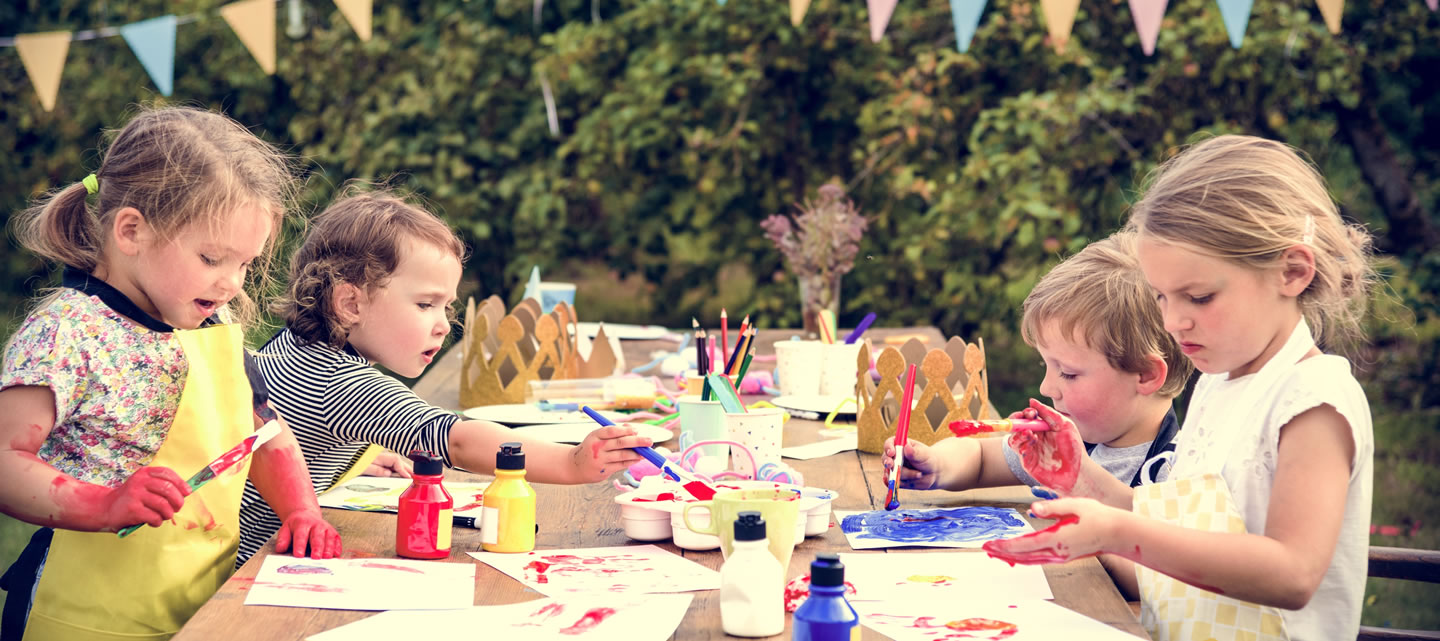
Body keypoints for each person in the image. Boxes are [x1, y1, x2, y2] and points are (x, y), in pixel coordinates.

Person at [985, 135, 1376, 641]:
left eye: (1198, 297)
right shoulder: (1219, 381)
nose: (1173, 322)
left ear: (1292, 272)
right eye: (1161, 298)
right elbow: (1180, 529)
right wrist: (1079, 475)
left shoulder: (1313, 401)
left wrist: (1117, 534)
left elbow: (1292, 573)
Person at [0, 107, 340, 641]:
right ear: (132, 231)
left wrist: (301, 513)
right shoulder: (68, 331)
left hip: (200, 610)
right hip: (81, 617)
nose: (231, 283)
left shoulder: (212, 324)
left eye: (245, 264)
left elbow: (266, 436)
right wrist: (105, 504)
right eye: (211, 258)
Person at [235, 188, 651, 566]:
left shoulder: (293, 349)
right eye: (425, 304)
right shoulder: (341, 384)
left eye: (446, 308)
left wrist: (351, 455)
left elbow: (304, 423)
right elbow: (457, 440)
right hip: (250, 572)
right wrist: (571, 461)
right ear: (350, 304)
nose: (442, 325)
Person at [881, 231, 1191, 596]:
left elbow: (1160, 581)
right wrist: (937, 465)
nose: (1047, 387)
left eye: (1069, 373)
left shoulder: (1177, 470)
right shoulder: (1070, 436)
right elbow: (981, 457)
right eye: (1047, 366)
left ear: (1146, 375)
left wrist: (1092, 526)